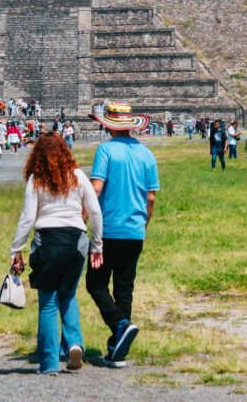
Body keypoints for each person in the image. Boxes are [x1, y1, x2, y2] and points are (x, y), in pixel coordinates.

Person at [10, 132, 103, 375]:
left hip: (47, 242)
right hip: (76, 242)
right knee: (68, 294)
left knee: (48, 304)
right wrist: (96, 245)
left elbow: (28, 218)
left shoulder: (36, 179)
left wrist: (15, 249)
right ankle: (74, 342)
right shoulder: (79, 176)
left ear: (37, 154)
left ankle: (50, 363)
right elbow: (95, 212)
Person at [87, 101, 159, 368]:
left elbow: (95, 189)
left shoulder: (105, 150)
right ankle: (118, 348)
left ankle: (120, 324)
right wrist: (144, 225)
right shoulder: (147, 155)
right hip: (134, 230)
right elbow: (150, 198)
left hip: (108, 230)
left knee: (95, 284)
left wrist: (81, 218)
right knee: (124, 288)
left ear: (108, 126)